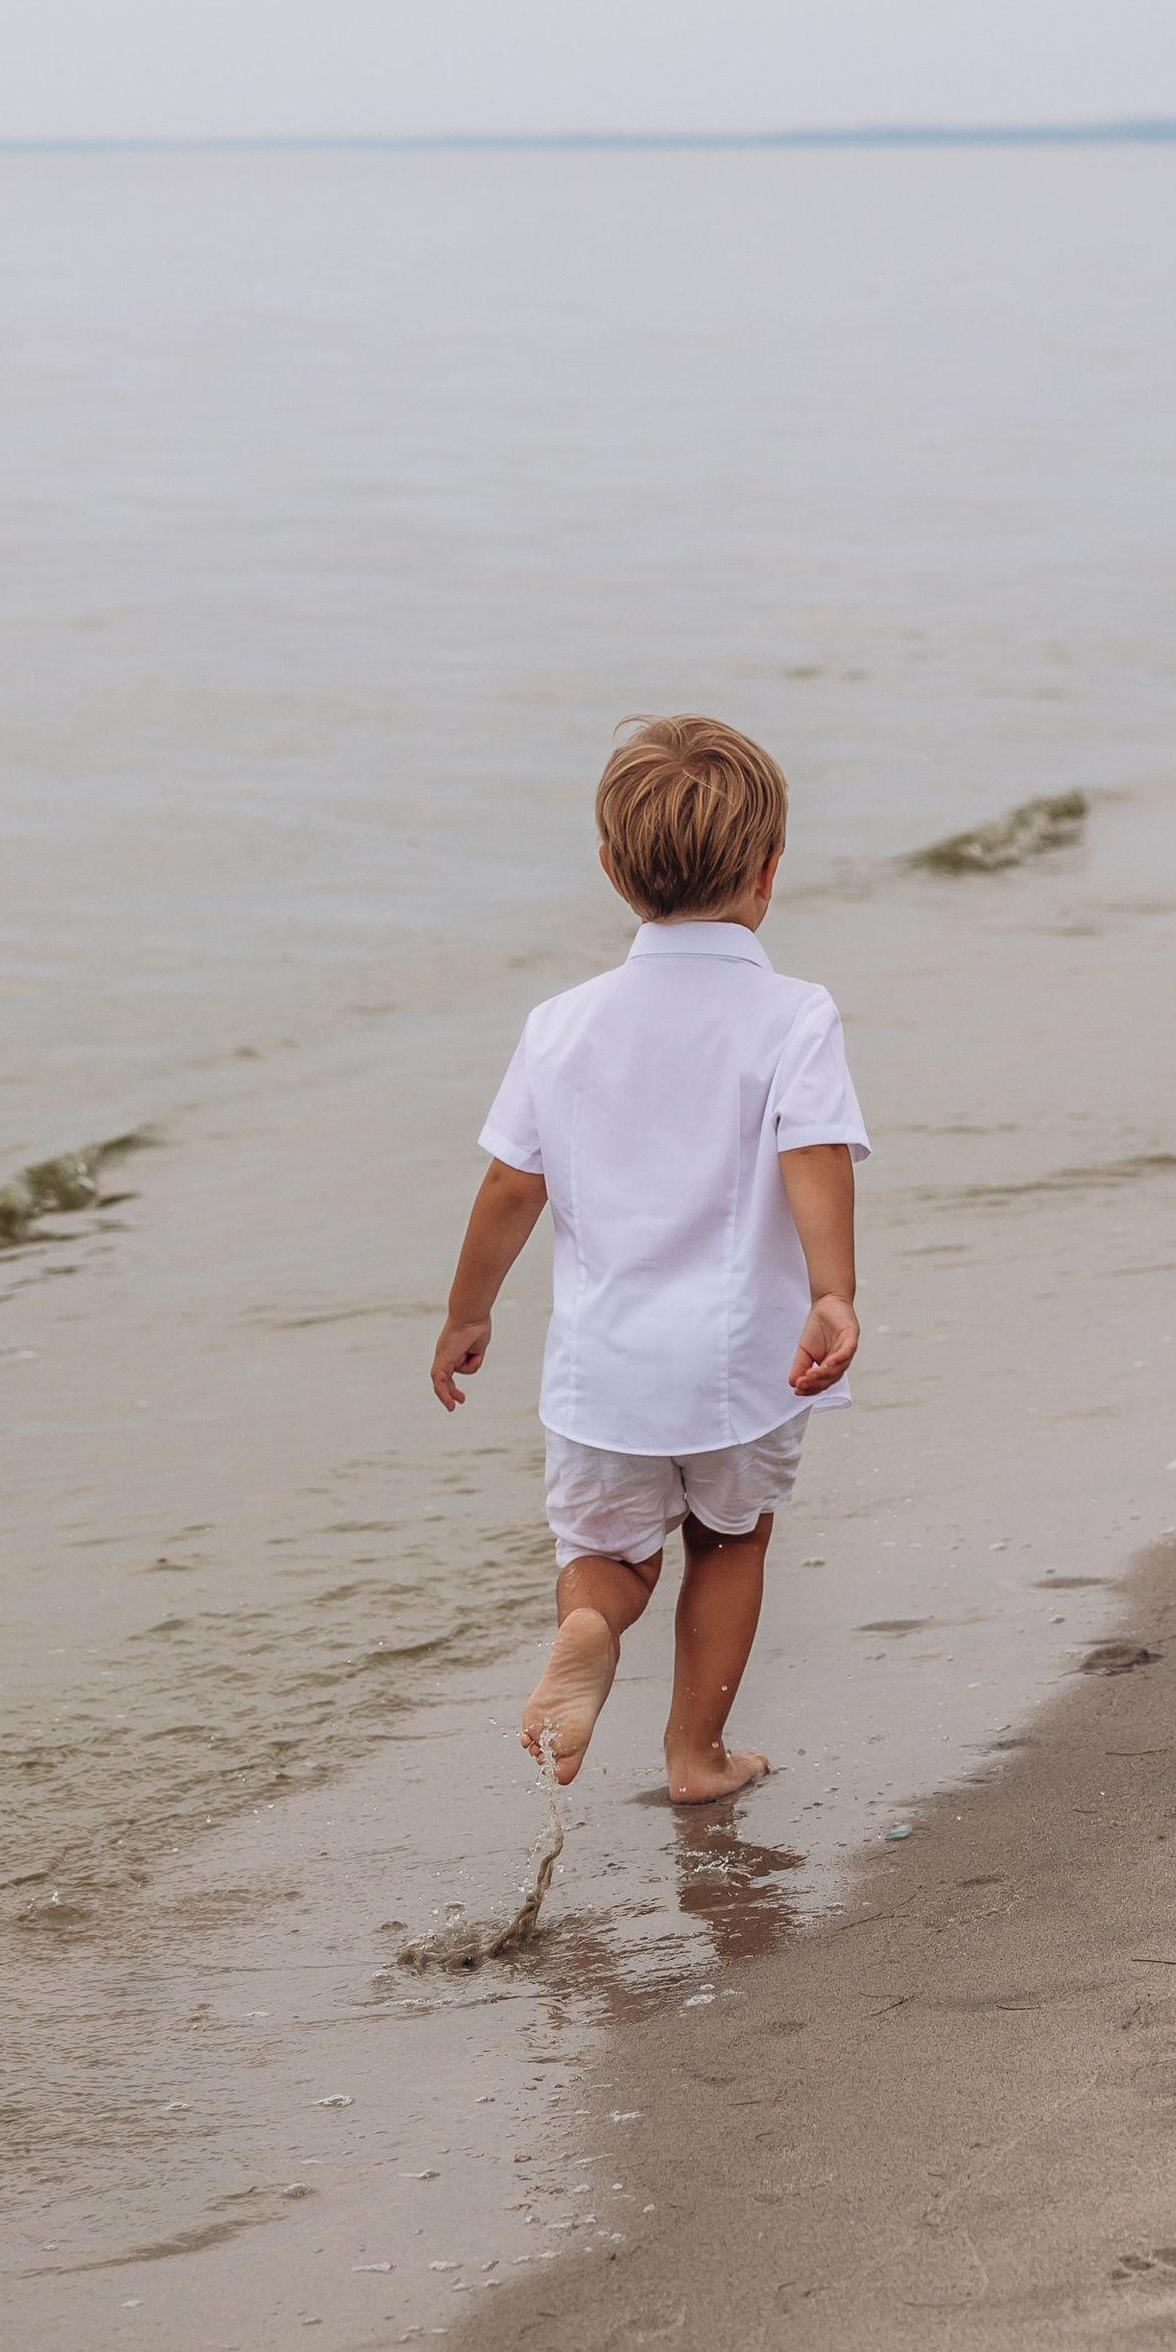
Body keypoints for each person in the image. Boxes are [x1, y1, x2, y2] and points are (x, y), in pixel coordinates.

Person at [431, 714, 867, 1801]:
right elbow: (812, 1151)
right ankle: (694, 1755)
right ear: (768, 872)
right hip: (741, 1365)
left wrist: (465, 1314)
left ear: (609, 871)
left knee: (614, 1558)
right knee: (728, 1543)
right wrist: (832, 1292)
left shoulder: (561, 1025)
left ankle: (588, 1627)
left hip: (601, 1372)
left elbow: (510, 1186)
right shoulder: (791, 1016)